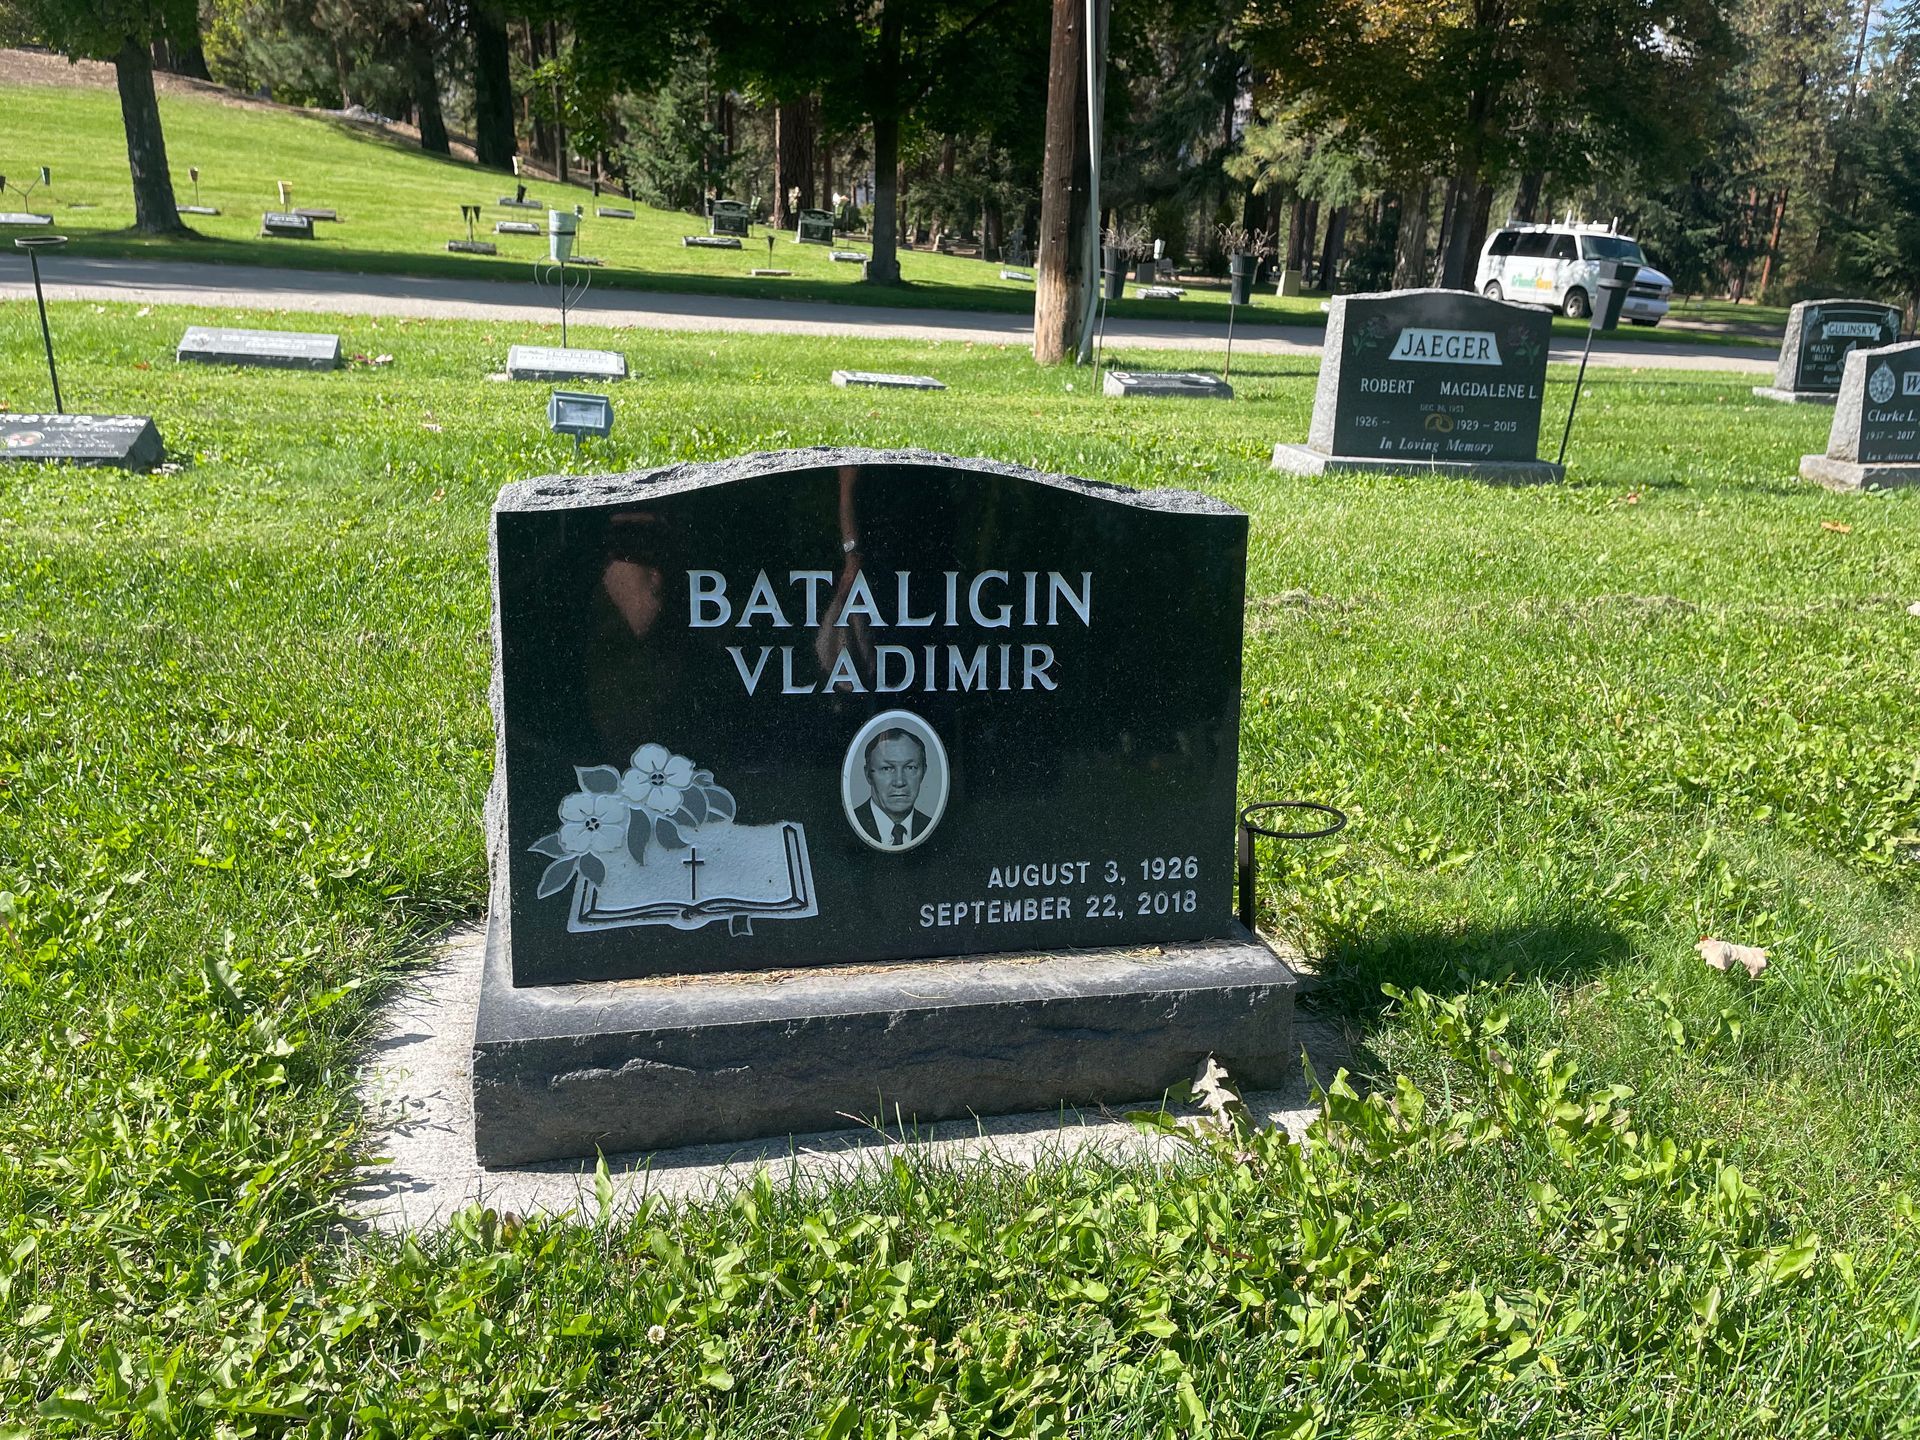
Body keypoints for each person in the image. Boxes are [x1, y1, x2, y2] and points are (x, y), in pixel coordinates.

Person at [852, 728, 934, 849]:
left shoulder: (937, 829)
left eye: (910, 767)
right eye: (887, 768)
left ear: (923, 772)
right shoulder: (842, 828)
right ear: (868, 774)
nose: (899, 782)